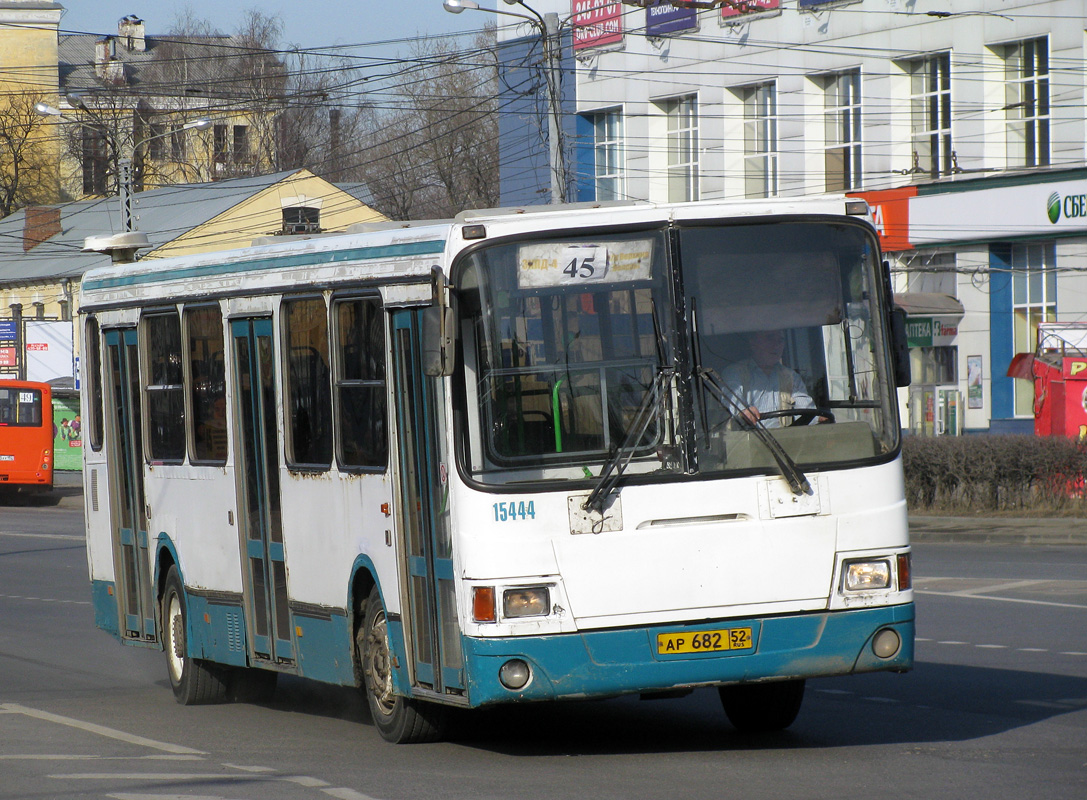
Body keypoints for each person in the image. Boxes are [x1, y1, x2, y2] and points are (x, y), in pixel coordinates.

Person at [721, 329, 814, 428]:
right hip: (745, 440)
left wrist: (817, 418)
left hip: (784, 440)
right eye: (770, 338)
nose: (776, 345)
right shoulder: (735, 372)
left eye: (780, 340)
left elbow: (806, 409)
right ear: (753, 343)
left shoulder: (791, 376)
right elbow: (730, 396)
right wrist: (743, 411)